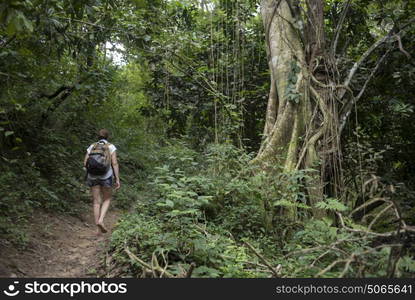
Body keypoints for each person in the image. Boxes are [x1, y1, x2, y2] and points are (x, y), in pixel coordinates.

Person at [83, 129, 120, 235]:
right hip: (106, 176)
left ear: (97, 137)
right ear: (107, 137)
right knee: (107, 199)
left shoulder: (92, 146)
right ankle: (101, 220)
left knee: (96, 201)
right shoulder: (111, 147)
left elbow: (85, 162)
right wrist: (117, 179)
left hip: (92, 176)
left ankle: (97, 230)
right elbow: (115, 163)